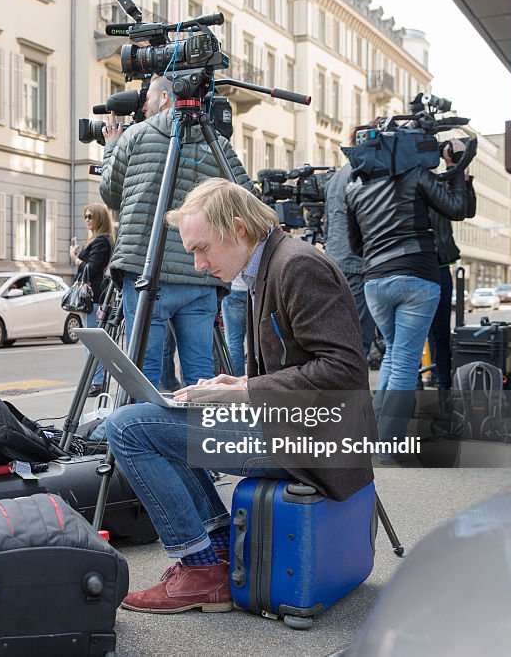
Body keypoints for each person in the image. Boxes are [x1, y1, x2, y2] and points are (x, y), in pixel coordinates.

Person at [105, 178, 374, 614]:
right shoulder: (269, 264)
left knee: (129, 428)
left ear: (237, 228)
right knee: (151, 420)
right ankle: (217, 549)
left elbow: (344, 373)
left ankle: (204, 568)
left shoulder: (298, 266)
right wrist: (234, 387)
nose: (196, 264)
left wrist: (249, 390)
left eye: (202, 248)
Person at [100, 75, 255, 389]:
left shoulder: (136, 135)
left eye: (148, 101)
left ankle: (146, 436)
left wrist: (111, 148)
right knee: (201, 373)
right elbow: (248, 199)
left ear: (165, 99)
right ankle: (200, 436)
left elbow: (110, 194)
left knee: (145, 374)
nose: (144, 108)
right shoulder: (218, 143)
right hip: (200, 275)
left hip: (146, 271)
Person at [345, 136, 474, 456]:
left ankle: (374, 431)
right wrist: (458, 169)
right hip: (417, 277)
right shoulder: (416, 176)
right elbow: (458, 208)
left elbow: (356, 246)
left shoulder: (355, 190)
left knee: (393, 353)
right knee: (404, 360)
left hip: (375, 282)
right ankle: (389, 444)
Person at [323, 129, 378, 362]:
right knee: (358, 339)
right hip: (355, 261)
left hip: (336, 259)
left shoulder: (337, 176)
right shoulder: (361, 173)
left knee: (342, 333)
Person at [426, 139, 477, 389]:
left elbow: (467, 211)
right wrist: (453, 170)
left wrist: (462, 176)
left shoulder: (441, 182)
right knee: (424, 333)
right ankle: (432, 383)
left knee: (440, 332)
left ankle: (442, 383)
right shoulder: (427, 184)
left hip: (441, 265)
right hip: (426, 265)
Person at [69, 203, 114, 396]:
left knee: (92, 342)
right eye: (85, 216)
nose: (87, 219)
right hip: (93, 297)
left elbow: (92, 268)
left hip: (95, 296)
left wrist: (75, 258)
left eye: (90, 216)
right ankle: (96, 381)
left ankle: (97, 382)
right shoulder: (97, 240)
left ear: (100, 218)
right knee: (91, 340)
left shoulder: (102, 241)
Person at [220, 276, 249, 377]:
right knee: (257, 340)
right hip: (255, 287)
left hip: (234, 287)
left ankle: (235, 383)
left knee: (233, 342)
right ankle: (257, 383)